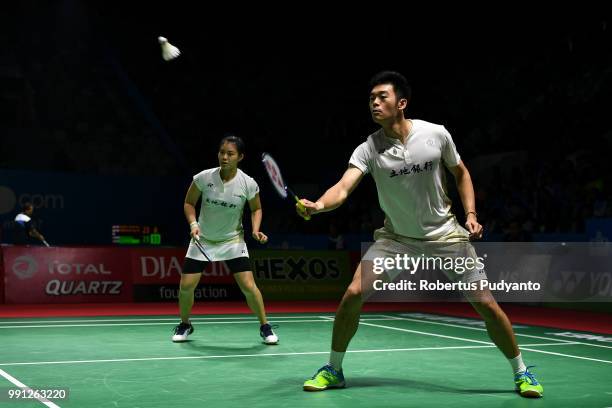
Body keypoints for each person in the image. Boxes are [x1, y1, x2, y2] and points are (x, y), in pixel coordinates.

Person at [297, 71, 543, 398]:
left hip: (445, 235)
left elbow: (461, 172)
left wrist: (470, 214)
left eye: (381, 96)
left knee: (485, 304)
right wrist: (318, 205)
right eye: (371, 98)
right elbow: (342, 189)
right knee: (353, 294)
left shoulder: (436, 134)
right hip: (396, 239)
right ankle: (333, 368)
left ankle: (522, 372)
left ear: (401, 103)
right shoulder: (368, 148)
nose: (374, 102)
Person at [172, 135, 278, 345]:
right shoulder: (203, 177)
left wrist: (256, 230)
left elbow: (256, 208)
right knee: (186, 286)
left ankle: (265, 326)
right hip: (203, 239)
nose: (225, 157)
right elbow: (188, 203)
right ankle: (185, 324)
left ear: (240, 157)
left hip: (232, 241)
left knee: (248, 286)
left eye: (230, 154)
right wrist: (193, 225)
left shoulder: (248, 183)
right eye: (222, 153)